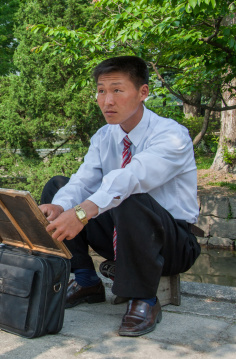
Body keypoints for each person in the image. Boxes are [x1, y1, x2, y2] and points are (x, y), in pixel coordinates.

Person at [39, 56, 200, 337]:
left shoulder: (172, 136)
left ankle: (144, 298)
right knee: (58, 188)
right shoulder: (104, 136)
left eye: (117, 90)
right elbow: (84, 180)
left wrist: (80, 213)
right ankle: (86, 280)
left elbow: (132, 176)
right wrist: (60, 206)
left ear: (143, 93)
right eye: (101, 90)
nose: (107, 100)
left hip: (170, 242)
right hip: (120, 235)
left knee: (131, 195)